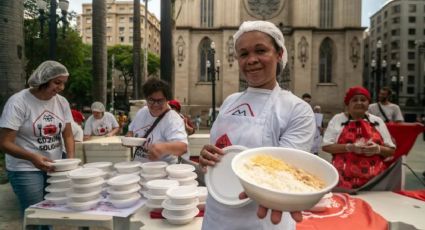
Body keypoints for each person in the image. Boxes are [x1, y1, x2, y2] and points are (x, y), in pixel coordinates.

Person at [198, 21, 315, 230]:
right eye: (243, 54)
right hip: (217, 213)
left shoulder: (296, 109)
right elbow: (221, 150)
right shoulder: (230, 101)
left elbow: (286, 172)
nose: (251, 60)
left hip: (264, 217)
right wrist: (207, 155)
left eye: (260, 50)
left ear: (279, 54)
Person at [0, 61, 75, 216]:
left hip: (55, 165)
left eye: (63, 84)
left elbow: (67, 134)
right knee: (35, 214)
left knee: (52, 212)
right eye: (57, 82)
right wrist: (32, 157)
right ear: (43, 79)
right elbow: (5, 143)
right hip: (25, 167)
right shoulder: (18, 102)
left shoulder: (62, 102)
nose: (61, 88)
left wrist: (71, 161)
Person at [322, 86, 395, 190]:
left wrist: (378, 149)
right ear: (348, 104)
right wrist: (349, 147)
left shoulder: (377, 121)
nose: (359, 102)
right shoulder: (338, 119)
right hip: (343, 180)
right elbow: (326, 147)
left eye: (363, 100)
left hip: (374, 182)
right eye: (355, 100)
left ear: (368, 103)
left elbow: (391, 151)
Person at [126, 77, 188, 164]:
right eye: (151, 100)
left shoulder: (173, 119)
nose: (155, 104)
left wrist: (164, 148)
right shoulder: (142, 112)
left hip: (162, 172)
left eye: (160, 101)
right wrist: (128, 139)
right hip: (139, 167)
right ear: (146, 99)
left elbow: (183, 147)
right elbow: (131, 131)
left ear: (167, 100)